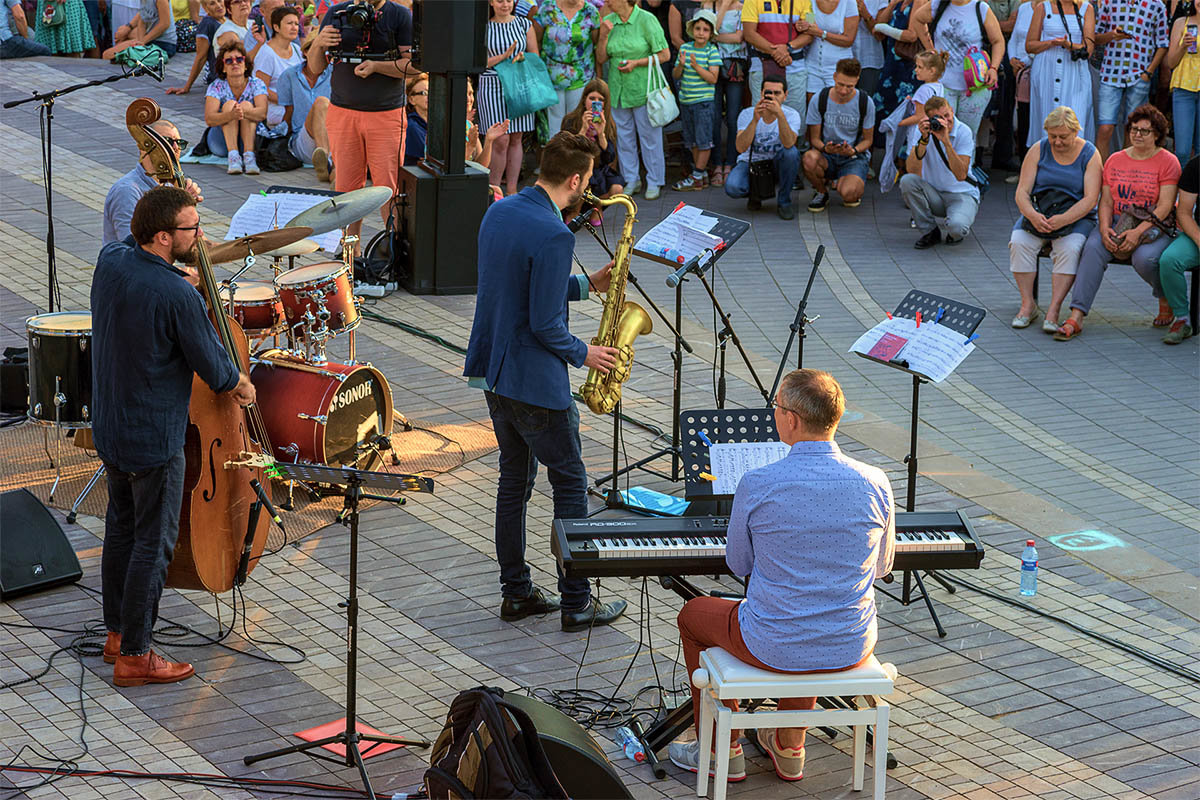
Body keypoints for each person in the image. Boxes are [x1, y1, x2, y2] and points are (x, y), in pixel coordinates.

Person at [668, 368, 895, 783]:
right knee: (813, 610)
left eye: (776, 409)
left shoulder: (758, 482)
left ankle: (721, 750)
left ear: (791, 419)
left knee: (694, 614)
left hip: (772, 643)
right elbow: (882, 568)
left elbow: (738, 564)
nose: (774, 416)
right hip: (851, 641)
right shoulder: (876, 481)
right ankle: (790, 746)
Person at [463, 132, 629, 633]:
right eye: (587, 183)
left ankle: (516, 593)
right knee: (571, 483)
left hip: (494, 372)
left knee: (514, 483)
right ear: (576, 180)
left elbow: (514, 281)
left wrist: (585, 283)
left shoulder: (502, 209)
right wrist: (587, 354)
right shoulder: (557, 234)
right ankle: (577, 600)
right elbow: (545, 324)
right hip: (536, 383)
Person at [93, 186, 257, 687]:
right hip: (153, 436)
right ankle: (137, 656)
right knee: (154, 542)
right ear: (164, 236)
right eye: (191, 228)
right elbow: (214, 367)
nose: (200, 236)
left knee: (121, 527)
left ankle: (118, 633)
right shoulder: (178, 295)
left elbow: (131, 249)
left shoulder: (112, 261)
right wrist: (243, 385)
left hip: (111, 426)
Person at [1055, 104, 1181, 340]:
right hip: (1116, 221)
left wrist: (1137, 233)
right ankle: (1076, 315)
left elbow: (1165, 206)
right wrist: (1104, 229)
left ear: (1157, 134)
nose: (1137, 134)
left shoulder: (1168, 161)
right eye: (1134, 129)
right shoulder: (1115, 159)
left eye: (1145, 130)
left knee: (1145, 259)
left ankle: (1164, 296)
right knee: (1092, 249)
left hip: (1153, 224)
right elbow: (1106, 201)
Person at [309, 0, 412, 249]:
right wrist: (319, 43)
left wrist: (378, 66)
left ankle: (393, 251)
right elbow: (314, 67)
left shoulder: (399, 15)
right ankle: (349, 253)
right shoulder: (336, 13)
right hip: (343, 112)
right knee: (346, 189)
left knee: (388, 189)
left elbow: (414, 65)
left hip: (385, 114)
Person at [1009, 105, 1102, 332]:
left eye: (1063, 137)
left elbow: (1091, 199)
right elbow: (1021, 192)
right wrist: (1031, 214)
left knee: (1069, 248)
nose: (1057, 142)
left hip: (1075, 214)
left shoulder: (1090, 154)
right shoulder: (1039, 149)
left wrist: (1063, 220)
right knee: (1019, 242)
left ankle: (1054, 307)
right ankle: (1027, 303)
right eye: (1053, 137)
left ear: (1076, 132)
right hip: (1040, 210)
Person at [598, 0, 671, 200]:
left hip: (643, 88)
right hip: (617, 89)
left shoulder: (647, 19)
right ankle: (631, 179)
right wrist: (603, 36)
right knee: (623, 137)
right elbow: (601, 58)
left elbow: (665, 54)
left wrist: (636, 63)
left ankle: (655, 180)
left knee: (650, 137)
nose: (607, 2)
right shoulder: (608, 21)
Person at [908, 0, 1006, 140]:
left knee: (967, 136)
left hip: (975, 87)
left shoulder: (981, 8)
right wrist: (930, 48)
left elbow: (998, 41)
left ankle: (967, 163)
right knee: (941, 135)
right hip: (942, 84)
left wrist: (993, 68)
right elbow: (917, 19)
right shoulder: (938, 4)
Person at [102, 119, 203, 247]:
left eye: (179, 142)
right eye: (167, 142)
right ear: (145, 146)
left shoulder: (170, 186)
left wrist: (186, 209)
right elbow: (134, 247)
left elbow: (192, 244)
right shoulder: (127, 191)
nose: (176, 148)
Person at [900, 95, 981, 247]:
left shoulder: (964, 131)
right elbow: (911, 169)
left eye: (947, 115)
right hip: (935, 193)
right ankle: (930, 231)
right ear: (929, 119)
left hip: (962, 194)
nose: (945, 121)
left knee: (957, 228)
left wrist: (946, 141)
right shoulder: (923, 131)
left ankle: (954, 228)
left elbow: (961, 174)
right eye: (938, 118)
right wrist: (923, 140)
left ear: (952, 110)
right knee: (907, 181)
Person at [1094, 0, 1168, 162]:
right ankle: (1100, 178)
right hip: (1110, 73)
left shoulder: (1157, 5)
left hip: (1139, 75)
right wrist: (1112, 35)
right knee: (1105, 128)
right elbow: (1095, 37)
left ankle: (1125, 176)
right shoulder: (1109, 2)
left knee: (1133, 130)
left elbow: (1163, 43)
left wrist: (1148, 72)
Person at [480, 0, 540, 196]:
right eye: (499, 0)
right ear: (491, 2)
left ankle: (512, 189)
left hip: (519, 83)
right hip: (492, 83)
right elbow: (477, 62)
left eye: (508, 0)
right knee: (500, 139)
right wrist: (504, 57)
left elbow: (535, 56)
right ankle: (494, 188)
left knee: (516, 137)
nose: (505, 4)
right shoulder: (484, 27)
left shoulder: (524, 24)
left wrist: (521, 59)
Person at [803, 57, 876, 210]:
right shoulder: (820, 98)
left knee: (850, 195)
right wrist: (825, 148)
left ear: (857, 80)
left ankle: (844, 181)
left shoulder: (865, 101)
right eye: (840, 84)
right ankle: (822, 192)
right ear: (834, 76)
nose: (843, 91)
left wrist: (853, 150)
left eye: (849, 86)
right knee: (809, 159)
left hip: (853, 156)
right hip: (827, 154)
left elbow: (868, 140)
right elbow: (814, 139)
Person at [726, 74, 803, 216]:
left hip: (777, 163)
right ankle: (755, 195)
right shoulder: (747, 113)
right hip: (752, 164)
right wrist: (755, 120)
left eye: (777, 93)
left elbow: (789, 143)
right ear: (761, 93)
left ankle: (784, 201)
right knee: (733, 187)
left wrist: (779, 115)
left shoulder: (791, 115)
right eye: (768, 93)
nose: (772, 97)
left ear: (785, 96)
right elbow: (740, 148)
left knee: (791, 153)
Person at [1025, 0, 1095, 148]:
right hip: (1047, 70)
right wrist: (1050, 43)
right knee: (1046, 116)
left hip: (1075, 72)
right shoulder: (1043, 7)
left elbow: (1088, 48)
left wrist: (1068, 45)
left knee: (1076, 119)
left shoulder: (1086, 8)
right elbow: (1030, 45)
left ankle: (1076, 164)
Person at [534, 0, 601, 138]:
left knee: (578, 123)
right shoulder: (547, 8)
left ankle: (577, 159)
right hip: (551, 76)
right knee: (553, 124)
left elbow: (595, 44)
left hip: (582, 77)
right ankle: (556, 157)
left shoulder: (591, 11)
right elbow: (536, 40)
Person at [562, 77, 624, 220]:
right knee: (585, 180)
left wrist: (601, 134)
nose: (595, 103)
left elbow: (609, 158)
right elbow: (567, 153)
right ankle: (574, 211)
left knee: (617, 189)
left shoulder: (609, 124)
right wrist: (583, 130)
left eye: (600, 99)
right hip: (575, 169)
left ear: (605, 103)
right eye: (592, 98)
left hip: (598, 170)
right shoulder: (570, 120)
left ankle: (597, 207)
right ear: (584, 99)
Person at [673, 9, 722, 190]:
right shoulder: (685, 48)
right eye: (698, 28)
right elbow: (676, 75)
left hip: (703, 102)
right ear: (692, 29)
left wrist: (695, 66)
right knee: (692, 140)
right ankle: (699, 175)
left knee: (704, 140)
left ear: (711, 34)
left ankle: (697, 175)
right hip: (687, 101)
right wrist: (681, 64)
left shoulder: (712, 50)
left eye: (705, 29)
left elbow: (713, 78)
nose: (701, 33)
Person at [741, 0, 813, 117]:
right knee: (761, 116)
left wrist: (788, 47)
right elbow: (749, 33)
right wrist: (777, 52)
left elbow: (811, 32)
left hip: (794, 69)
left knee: (795, 117)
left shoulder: (807, 1)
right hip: (761, 65)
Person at [204, 39, 267, 174]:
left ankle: (249, 157)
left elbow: (262, 113)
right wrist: (231, 115)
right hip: (221, 142)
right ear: (223, 67)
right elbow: (209, 119)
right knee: (230, 105)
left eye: (239, 59)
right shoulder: (216, 86)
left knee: (245, 105)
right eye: (228, 61)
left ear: (245, 65)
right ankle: (233, 157)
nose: (234, 63)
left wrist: (242, 111)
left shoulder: (256, 83)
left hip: (250, 137)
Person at [277, 30, 332, 179]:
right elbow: (288, 112)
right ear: (306, 51)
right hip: (303, 139)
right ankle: (325, 159)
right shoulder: (289, 75)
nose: (323, 56)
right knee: (321, 102)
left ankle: (329, 170)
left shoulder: (335, 73)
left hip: (333, 135)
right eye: (319, 50)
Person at [1158, 154, 1199, 343]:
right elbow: (1184, 212)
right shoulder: (1196, 165)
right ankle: (1182, 318)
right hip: (1197, 232)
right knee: (1169, 260)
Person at [712, 0, 746, 186]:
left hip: (736, 66)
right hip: (712, 66)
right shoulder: (707, 7)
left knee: (733, 117)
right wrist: (723, 7)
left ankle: (731, 163)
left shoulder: (743, 8)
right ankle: (717, 164)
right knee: (715, 117)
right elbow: (708, 32)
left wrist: (715, 37)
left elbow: (739, 38)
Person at [254, 5, 303, 130]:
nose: (294, 27)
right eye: (289, 23)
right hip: (276, 108)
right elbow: (261, 88)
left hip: (296, 103)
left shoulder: (297, 49)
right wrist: (288, 100)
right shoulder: (267, 54)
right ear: (276, 27)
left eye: (296, 24)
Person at [798, 0, 859, 101]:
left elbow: (849, 40)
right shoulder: (809, 1)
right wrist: (801, 26)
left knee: (837, 106)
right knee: (813, 105)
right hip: (813, 65)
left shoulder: (849, 2)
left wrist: (821, 33)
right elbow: (810, 28)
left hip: (839, 68)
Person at [165, 0, 226, 94]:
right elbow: (200, 57)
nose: (219, 5)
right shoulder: (207, 24)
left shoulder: (227, 18)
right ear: (205, 8)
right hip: (220, 75)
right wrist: (187, 87)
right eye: (212, 3)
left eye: (219, 1)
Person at [1166, 6, 1200, 164]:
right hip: (1183, 87)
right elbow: (1171, 62)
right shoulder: (1181, 22)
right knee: (1182, 150)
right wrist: (1182, 46)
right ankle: (1180, 187)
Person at [103, 0, 178, 58]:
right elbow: (142, 21)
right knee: (118, 42)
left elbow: (164, 24)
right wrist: (139, 42)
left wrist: (143, 41)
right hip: (150, 41)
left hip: (164, 44)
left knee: (107, 55)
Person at [852, 0, 886, 97]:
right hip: (844, 57)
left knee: (865, 102)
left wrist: (866, 15)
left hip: (870, 59)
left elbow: (880, 35)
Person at [404, 71, 429, 168]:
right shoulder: (411, 126)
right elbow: (429, 158)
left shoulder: (437, 123)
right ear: (411, 100)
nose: (429, 96)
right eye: (424, 93)